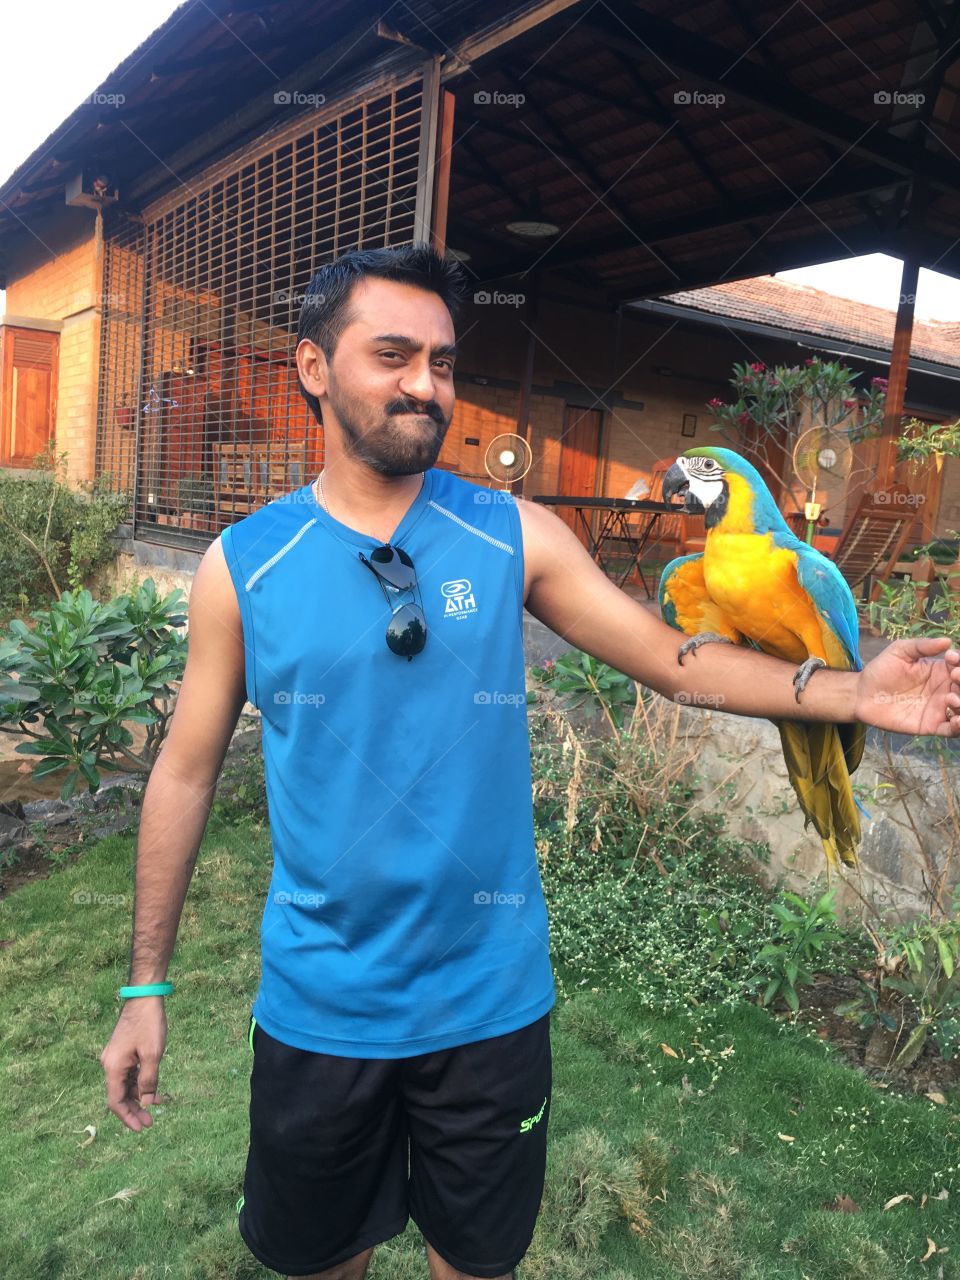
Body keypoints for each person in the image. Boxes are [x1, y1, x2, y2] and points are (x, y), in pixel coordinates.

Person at [99, 244, 960, 1280]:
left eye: (444, 360)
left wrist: (853, 686)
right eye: (393, 354)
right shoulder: (244, 564)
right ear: (314, 368)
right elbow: (185, 774)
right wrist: (146, 982)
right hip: (322, 1007)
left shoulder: (513, 533)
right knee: (319, 1263)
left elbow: (670, 662)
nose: (428, 382)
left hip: (488, 1007)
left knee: (479, 1263)